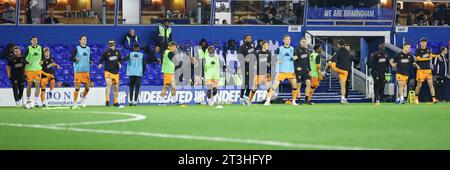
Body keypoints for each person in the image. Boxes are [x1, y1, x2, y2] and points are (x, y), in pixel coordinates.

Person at [264, 35, 299, 106]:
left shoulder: (292, 48)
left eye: (289, 39)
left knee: (295, 86)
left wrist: (295, 57)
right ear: (283, 40)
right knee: (274, 87)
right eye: (286, 39)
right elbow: (273, 57)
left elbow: (296, 56)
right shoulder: (279, 48)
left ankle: (294, 101)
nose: (288, 41)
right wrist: (277, 59)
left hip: (290, 71)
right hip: (281, 71)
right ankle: (267, 101)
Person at [324, 39, 351, 104]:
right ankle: (343, 98)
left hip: (339, 69)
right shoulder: (347, 51)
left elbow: (333, 59)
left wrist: (331, 60)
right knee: (343, 85)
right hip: (346, 71)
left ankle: (324, 72)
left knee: (329, 62)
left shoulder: (338, 50)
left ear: (338, 44)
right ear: (344, 44)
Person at [414, 38, 439, 104]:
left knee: (431, 84)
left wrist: (437, 56)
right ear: (420, 43)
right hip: (421, 70)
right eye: (422, 42)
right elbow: (418, 59)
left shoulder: (428, 49)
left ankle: (434, 99)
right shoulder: (418, 50)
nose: (424, 43)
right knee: (419, 85)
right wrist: (427, 58)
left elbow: (431, 55)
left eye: (425, 42)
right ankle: (416, 98)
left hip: (428, 70)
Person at [98, 40, 122, 107]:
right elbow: (101, 59)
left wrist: (120, 64)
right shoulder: (106, 52)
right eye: (110, 44)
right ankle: (107, 100)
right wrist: (100, 63)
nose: (112, 45)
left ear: (115, 44)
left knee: (116, 88)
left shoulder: (118, 52)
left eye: (113, 44)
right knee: (108, 84)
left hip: (116, 72)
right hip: (108, 71)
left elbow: (120, 60)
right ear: (109, 45)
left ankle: (115, 101)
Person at [71, 35, 92, 109]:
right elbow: (71, 58)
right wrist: (75, 59)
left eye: (85, 39)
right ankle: (75, 102)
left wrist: (91, 61)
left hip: (86, 71)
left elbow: (90, 58)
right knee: (77, 87)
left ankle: (82, 98)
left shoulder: (88, 49)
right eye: (83, 39)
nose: (84, 40)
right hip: (78, 71)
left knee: (87, 88)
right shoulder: (77, 48)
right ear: (80, 41)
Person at [23, 36, 43, 108]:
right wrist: (27, 62)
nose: (35, 41)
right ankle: (28, 100)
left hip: (38, 69)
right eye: (34, 40)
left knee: (38, 85)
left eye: (36, 40)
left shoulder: (40, 47)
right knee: (29, 85)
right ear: (31, 41)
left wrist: (42, 60)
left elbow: (43, 57)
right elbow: (23, 58)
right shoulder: (28, 48)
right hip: (30, 70)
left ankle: (36, 101)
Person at [158, 41, 178, 105]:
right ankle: (160, 101)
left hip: (170, 72)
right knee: (166, 87)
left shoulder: (166, 51)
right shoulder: (169, 52)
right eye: (174, 47)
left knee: (173, 86)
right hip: (168, 72)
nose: (175, 49)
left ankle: (174, 101)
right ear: (171, 46)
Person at [238, 34, 255, 105]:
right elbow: (239, 56)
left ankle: (246, 96)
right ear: (245, 39)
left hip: (251, 66)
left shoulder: (251, 47)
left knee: (251, 82)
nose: (249, 39)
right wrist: (245, 59)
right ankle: (241, 97)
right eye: (248, 38)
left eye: (250, 38)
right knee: (246, 82)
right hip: (245, 66)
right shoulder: (242, 47)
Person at [294, 38, 312, 105]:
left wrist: (310, 69)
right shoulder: (296, 49)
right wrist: (296, 67)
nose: (304, 43)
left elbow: (308, 61)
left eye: (305, 42)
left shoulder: (307, 50)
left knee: (309, 84)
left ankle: (306, 99)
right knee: (299, 85)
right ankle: (299, 100)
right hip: (299, 71)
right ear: (300, 42)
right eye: (303, 42)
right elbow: (294, 60)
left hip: (306, 70)